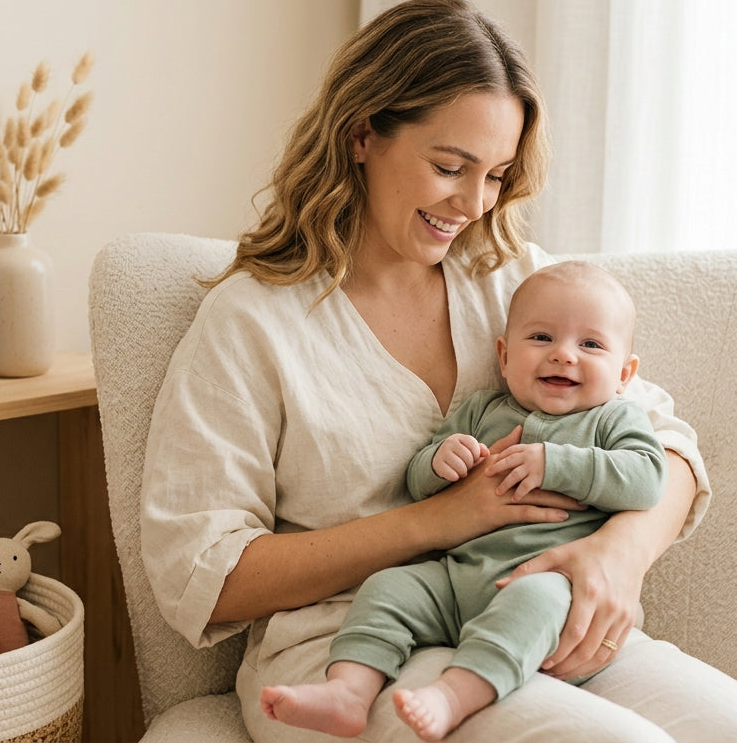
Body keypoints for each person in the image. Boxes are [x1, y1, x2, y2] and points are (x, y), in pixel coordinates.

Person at [140, 0, 737, 742]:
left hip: (527, 608)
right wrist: (438, 519)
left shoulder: (507, 278)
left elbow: (665, 439)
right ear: (363, 134)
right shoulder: (254, 321)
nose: (473, 203)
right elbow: (204, 575)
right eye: (450, 166)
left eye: (495, 174)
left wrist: (618, 555)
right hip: (344, 652)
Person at [262, 261, 667, 741]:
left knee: (533, 602)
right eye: (540, 338)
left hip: (547, 584)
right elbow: (417, 482)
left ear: (624, 373)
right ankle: (347, 690)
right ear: (503, 355)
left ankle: (453, 695)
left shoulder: (612, 419)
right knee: (389, 589)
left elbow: (648, 478)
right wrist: (440, 461)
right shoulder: (482, 411)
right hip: (455, 579)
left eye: (590, 345)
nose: (563, 355)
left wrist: (557, 464)